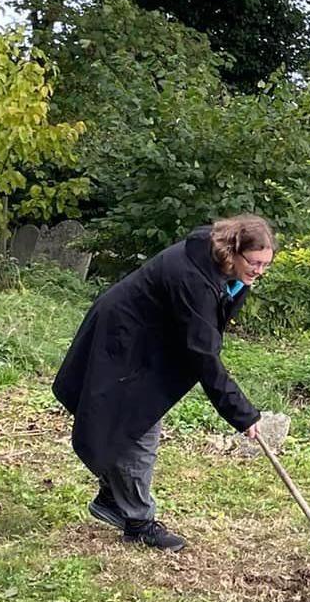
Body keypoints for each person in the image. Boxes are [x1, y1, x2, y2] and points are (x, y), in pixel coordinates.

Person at [53, 215, 272, 551]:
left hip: (147, 342)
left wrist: (242, 283)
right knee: (139, 426)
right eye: (254, 263)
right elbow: (204, 355)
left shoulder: (217, 263)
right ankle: (138, 521)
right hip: (123, 340)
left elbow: (214, 318)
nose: (259, 271)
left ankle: (114, 497)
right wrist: (242, 413)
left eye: (264, 265)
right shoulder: (194, 277)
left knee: (130, 423)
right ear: (234, 251)